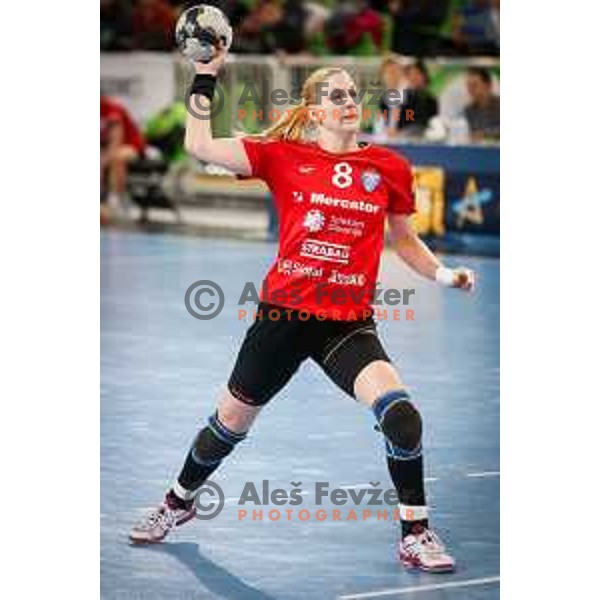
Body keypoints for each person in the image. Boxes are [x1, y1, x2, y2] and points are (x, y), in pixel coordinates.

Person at [130, 44, 476, 573]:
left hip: (346, 325)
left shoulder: (386, 166)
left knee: (403, 417)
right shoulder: (282, 156)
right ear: (314, 110)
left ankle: (416, 533)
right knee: (228, 425)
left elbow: (404, 240)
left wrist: (445, 274)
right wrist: (206, 73)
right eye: (335, 96)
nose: (347, 102)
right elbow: (198, 142)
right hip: (283, 319)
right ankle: (177, 502)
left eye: (352, 94)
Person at [100, 96, 146, 218]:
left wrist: (103, 161)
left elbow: (116, 141)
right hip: (107, 148)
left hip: (131, 145)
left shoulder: (112, 109)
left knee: (116, 157)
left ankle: (116, 199)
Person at [463, 67, 500, 141]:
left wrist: (485, 134)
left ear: (488, 85)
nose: (470, 89)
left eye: (474, 85)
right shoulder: (468, 110)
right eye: (468, 86)